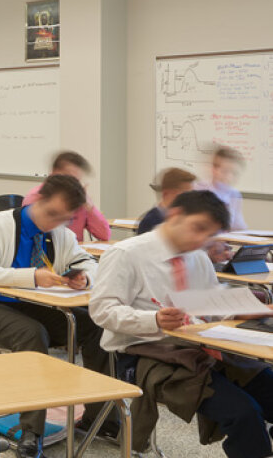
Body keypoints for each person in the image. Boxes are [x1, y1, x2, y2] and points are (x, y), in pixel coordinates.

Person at [90, 190, 273, 457]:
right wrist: (153, 319)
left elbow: (208, 304)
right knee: (244, 414)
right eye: (197, 228)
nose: (201, 240)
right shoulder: (126, 254)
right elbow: (101, 311)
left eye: (208, 235)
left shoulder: (197, 256)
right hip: (146, 354)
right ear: (175, 215)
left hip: (200, 346)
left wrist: (247, 308)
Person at [0, 175, 109, 458]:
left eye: (63, 218)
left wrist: (84, 277)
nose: (55, 222)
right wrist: (31, 276)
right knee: (31, 334)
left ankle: (100, 417)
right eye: (51, 214)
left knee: (94, 325)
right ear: (39, 200)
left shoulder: (60, 233)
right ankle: (31, 431)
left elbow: (87, 261)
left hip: (33, 305)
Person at [23, 151, 110, 241]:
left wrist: (90, 207)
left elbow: (104, 235)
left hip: (74, 251)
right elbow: (31, 236)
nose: (73, 184)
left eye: (77, 180)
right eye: (70, 178)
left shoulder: (79, 199)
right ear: (54, 174)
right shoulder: (37, 197)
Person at [196, 146, 248, 231]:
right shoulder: (199, 190)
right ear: (213, 169)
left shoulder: (234, 194)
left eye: (235, 173)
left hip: (224, 241)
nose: (230, 177)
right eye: (225, 171)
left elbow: (239, 226)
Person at [136, 167, 196, 235]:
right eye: (185, 194)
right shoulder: (150, 222)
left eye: (191, 193)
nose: (190, 198)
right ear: (166, 194)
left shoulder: (184, 216)